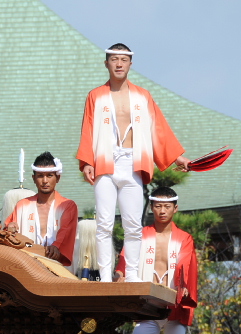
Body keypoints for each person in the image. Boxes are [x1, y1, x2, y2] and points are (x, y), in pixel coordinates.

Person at [76, 43, 190, 283]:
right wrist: (87, 161)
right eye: (114, 59)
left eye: (123, 60)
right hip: (105, 161)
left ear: (130, 64)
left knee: (133, 224)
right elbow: (88, 128)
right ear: (106, 63)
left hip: (132, 162)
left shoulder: (142, 96)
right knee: (104, 223)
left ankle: (131, 275)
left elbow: (158, 128)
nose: (119, 64)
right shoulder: (95, 95)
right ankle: (105, 276)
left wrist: (177, 157)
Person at [115, 187, 198, 334]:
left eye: (167, 206)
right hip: (149, 307)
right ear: (151, 207)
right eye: (158, 206)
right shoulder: (141, 235)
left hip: (174, 307)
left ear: (175, 208)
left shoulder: (184, 238)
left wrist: (183, 285)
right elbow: (125, 260)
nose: (162, 210)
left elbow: (186, 265)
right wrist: (120, 274)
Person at [5, 152, 78, 266]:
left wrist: (56, 246)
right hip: (26, 265)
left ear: (58, 178)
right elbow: (7, 233)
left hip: (57, 265)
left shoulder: (67, 205)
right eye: (40, 176)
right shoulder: (22, 205)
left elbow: (66, 231)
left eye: (49, 175)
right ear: (33, 178)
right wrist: (10, 229)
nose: (45, 181)